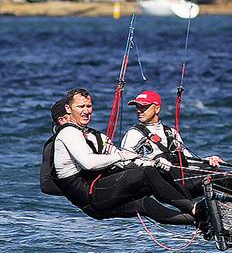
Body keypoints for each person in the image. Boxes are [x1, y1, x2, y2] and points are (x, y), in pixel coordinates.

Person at [48, 87, 202, 226]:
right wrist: (122, 157)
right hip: (91, 198)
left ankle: (200, 222)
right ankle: (193, 207)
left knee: (146, 203)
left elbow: (123, 158)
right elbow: (89, 163)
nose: (86, 111)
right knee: (145, 174)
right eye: (80, 107)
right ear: (68, 108)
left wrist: (153, 162)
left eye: (89, 106)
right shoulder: (68, 133)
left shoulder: (94, 135)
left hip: (101, 198)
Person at [120, 89, 232, 196]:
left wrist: (208, 160)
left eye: (144, 107)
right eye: (137, 107)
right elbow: (124, 163)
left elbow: (186, 159)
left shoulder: (171, 132)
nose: (139, 110)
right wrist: (152, 163)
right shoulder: (134, 134)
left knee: (226, 176)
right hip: (161, 179)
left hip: (180, 175)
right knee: (208, 180)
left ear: (157, 109)